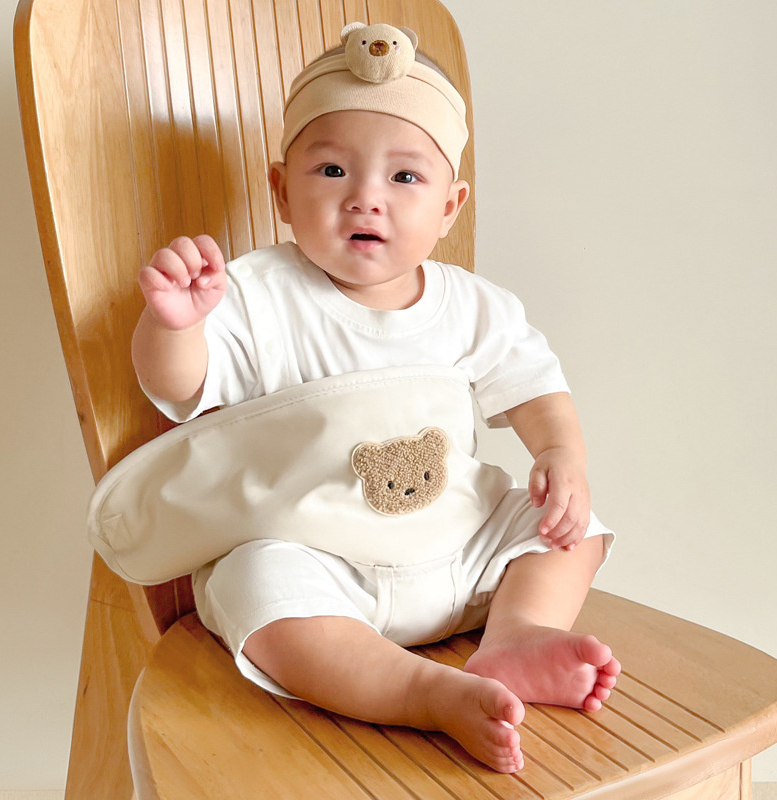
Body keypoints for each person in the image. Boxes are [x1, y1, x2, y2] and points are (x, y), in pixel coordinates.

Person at [131, 22, 620, 774]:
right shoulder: (258, 295)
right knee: (250, 581)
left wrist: (562, 454)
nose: (365, 199)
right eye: (332, 170)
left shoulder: (471, 306)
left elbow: (535, 386)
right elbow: (180, 386)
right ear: (282, 191)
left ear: (450, 207)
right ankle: (421, 692)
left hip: (457, 548)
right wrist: (175, 326)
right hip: (321, 563)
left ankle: (517, 633)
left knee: (571, 528)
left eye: (404, 178)